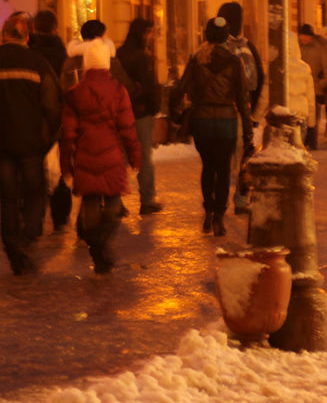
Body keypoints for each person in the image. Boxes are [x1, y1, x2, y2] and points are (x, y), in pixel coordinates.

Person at [60, 39, 141, 274]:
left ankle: (96, 249)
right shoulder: (118, 90)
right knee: (114, 206)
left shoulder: (75, 93)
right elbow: (128, 129)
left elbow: (68, 135)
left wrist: (67, 166)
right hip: (111, 155)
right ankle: (98, 242)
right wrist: (135, 159)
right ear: (106, 64)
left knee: (90, 203)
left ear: (86, 65)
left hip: (85, 156)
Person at [169, 17, 253, 236]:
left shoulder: (197, 60)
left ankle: (208, 211)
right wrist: (248, 133)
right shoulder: (235, 62)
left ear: (206, 35)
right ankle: (219, 216)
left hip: (202, 120)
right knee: (223, 169)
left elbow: (179, 91)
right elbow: (243, 99)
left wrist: (176, 116)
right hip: (226, 120)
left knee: (208, 167)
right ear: (227, 37)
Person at [0, 12, 62, 275]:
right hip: (30, 143)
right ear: (26, 37)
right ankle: (30, 233)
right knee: (36, 191)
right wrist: (48, 139)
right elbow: (52, 105)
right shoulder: (38, 63)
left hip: (1, 143)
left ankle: (13, 247)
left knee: (7, 198)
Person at [216, 3, 264, 215]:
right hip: (242, 109)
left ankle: (218, 200)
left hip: (217, 111)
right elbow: (259, 78)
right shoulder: (248, 46)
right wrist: (252, 110)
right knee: (244, 156)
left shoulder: (212, 46)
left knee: (220, 159)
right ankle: (242, 199)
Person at [28, 10, 71, 230]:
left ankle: (35, 216)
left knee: (34, 168)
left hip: (32, 117)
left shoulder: (30, 51)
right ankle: (60, 218)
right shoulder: (61, 52)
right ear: (55, 28)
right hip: (57, 116)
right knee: (59, 169)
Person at [116, 18, 162, 215]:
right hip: (141, 112)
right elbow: (149, 85)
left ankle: (115, 200)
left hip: (120, 112)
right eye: (148, 33)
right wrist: (154, 107)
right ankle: (147, 199)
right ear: (141, 34)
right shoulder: (142, 57)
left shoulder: (119, 54)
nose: (150, 37)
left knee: (121, 157)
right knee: (144, 156)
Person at [61, 20, 133, 93]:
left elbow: (64, 86)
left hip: (77, 102)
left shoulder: (70, 61)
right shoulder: (109, 60)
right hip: (105, 102)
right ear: (98, 38)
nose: (107, 37)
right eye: (105, 34)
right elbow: (124, 85)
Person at [298, 24, 327, 150]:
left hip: (315, 88)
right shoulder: (296, 47)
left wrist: (321, 83)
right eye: (302, 35)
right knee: (301, 114)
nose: (304, 38)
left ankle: (312, 142)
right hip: (299, 87)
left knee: (314, 115)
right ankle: (302, 141)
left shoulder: (320, 49)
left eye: (307, 36)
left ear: (311, 37)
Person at [286, 32, 316, 140]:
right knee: (297, 149)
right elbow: (310, 98)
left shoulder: (277, 67)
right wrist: (311, 122)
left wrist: (256, 117)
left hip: (283, 115)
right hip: (301, 115)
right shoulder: (304, 68)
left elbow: (265, 95)